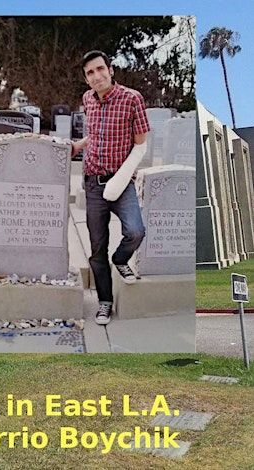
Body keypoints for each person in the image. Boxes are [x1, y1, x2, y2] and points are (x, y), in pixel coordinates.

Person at [70, 50, 149, 326]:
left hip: (121, 180)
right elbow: (97, 133)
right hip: (93, 182)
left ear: (111, 70)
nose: (96, 76)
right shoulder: (87, 99)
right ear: (86, 78)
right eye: (90, 72)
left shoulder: (132, 99)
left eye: (100, 69)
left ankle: (121, 258)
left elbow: (141, 144)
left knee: (135, 231)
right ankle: (105, 302)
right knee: (96, 247)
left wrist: (120, 179)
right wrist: (79, 146)